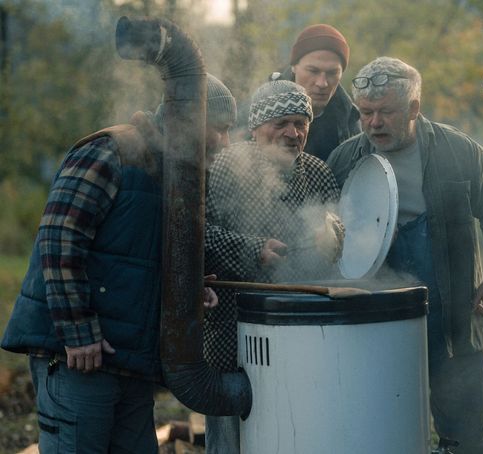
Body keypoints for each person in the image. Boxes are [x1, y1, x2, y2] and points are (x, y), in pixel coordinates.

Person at [0, 73, 235, 453]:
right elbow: (60, 239)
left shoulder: (177, 176)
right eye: (220, 130)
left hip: (131, 361)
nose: (224, 142)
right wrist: (78, 331)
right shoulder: (111, 151)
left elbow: (140, 257)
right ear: (191, 121)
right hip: (78, 358)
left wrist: (190, 288)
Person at [327, 57, 483, 454]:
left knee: (468, 435)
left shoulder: (458, 151)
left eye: (387, 112)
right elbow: (326, 237)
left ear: (413, 108)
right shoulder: (344, 160)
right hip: (375, 323)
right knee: (383, 431)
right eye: (366, 113)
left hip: (455, 319)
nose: (374, 123)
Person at [203, 79, 344, 453]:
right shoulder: (225, 165)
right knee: (231, 428)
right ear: (256, 127)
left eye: (300, 123)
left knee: (293, 423)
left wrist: (333, 237)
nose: (292, 132)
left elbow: (338, 233)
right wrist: (253, 250)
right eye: (280, 122)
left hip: (301, 324)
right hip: (231, 324)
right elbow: (198, 235)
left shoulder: (317, 171)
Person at [269, 23, 360, 161]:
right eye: (313, 71)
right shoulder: (262, 110)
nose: (322, 83)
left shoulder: (350, 118)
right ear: (294, 66)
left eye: (332, 73)